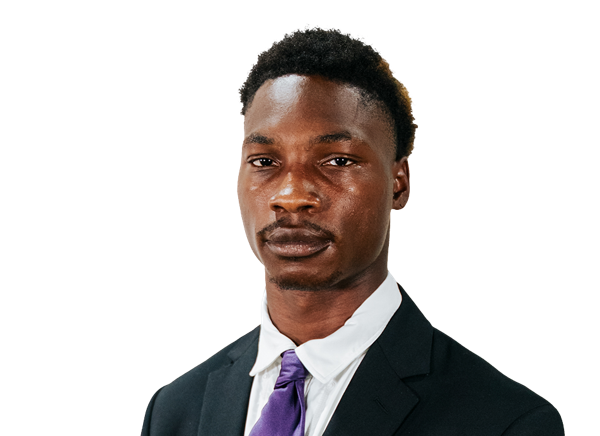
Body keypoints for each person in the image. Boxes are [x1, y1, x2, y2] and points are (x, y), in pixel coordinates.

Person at [141, 26, 563, 435]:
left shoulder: (507, 422)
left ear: (399, 182)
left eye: (338, 161)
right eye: (264, 161)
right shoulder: (175, 409)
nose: (291, 196)